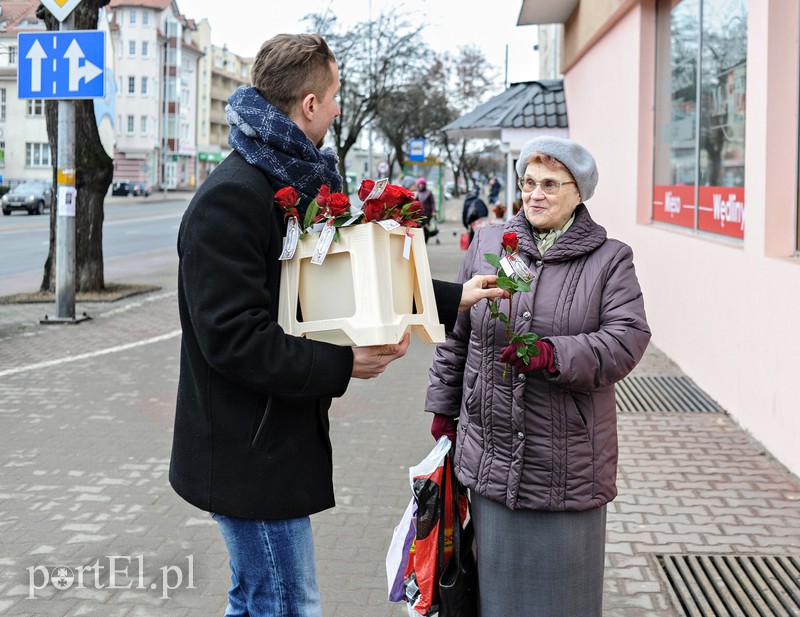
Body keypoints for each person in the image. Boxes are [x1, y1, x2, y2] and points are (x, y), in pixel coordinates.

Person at [169, 33, 506, 617]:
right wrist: (344, 364)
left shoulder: (287, 180)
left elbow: (350, 272)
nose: (339, 108)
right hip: (245, 451)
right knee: (287, 601)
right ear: (308, 104)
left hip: (266, 440)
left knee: (257, 598)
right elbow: (234, 339)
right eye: (335, 96)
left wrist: (453, 298)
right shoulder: (234, 197)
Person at [425, 135, 651, 616]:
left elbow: (627, 339)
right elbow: (459, 335)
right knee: (496, 593)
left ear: (578, 192)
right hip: (490, 452)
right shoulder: (493, 243)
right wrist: (443, 408)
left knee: (561, 597)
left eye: (550, 183)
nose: (535, 193)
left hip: (564, 464)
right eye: (528, 181)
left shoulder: (609, 259)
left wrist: (554, 355)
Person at [415, 177, 437, 244]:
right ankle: (420, 239)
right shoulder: (417, 193)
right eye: (420, 184)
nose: (421, 185)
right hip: (419, 213)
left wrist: (434, 211)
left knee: (426, 227)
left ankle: (425, 240)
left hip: (427, 213)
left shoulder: (429, 192)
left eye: (422, 184)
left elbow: (432, 202)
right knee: (418, 226)